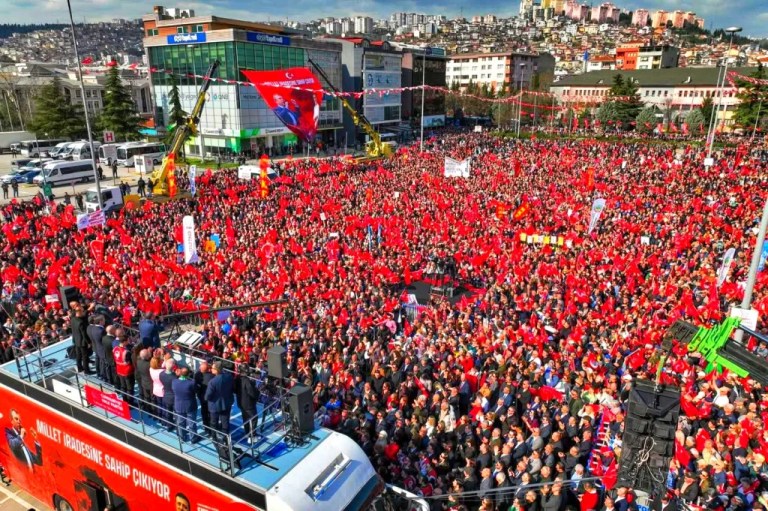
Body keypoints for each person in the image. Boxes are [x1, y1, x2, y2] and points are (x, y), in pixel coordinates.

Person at [204, 361, 234, 442]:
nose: (211, 369)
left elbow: (207, 396)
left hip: (215, 406)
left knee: (214, 423)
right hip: (227, 403)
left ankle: (214, 438)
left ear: (217, 370)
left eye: (212, 368)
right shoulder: (229, 377)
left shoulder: (212, 382)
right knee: (225, 422)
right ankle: (226, 439)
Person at [172, 367, 199, 443]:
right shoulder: (191, 383)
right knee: (191, 422)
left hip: (179, 405)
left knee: (180, 422)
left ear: (180, 373)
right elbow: (196, 390)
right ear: (188, 374)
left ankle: (182, 437)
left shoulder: (174, 382)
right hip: (190, 405)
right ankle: (193, 438)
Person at [234, 364, 260, 443]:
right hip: (249, 404)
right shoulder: (246, 381)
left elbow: (234, 390)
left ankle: (247, 433)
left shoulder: (237, 379)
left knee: (245, 418)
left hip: (240, 402)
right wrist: (257, 393)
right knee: (254, 418)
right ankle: (252, 436)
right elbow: (251, 392)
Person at [112, 329, 135, 406]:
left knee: (123, 386)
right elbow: (131, 362)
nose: (129, 341)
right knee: (130, 388)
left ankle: (124, 400)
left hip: (119, 370)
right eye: (128, 340)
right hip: (128, 372)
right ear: (124, 342)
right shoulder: (126, 352)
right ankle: (130, 403)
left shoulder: (115, 349)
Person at [70, 302, 91, 374]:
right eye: (82, 311)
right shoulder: (80, 322)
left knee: (78, 355)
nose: (83, 312)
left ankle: (79, 368)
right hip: (82, 342)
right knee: (84, 356)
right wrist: (88, 342)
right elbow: (84, 334)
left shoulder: (73, 319)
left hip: (76, 340)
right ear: (79, 312)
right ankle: (87, 371)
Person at [194, 361, 213, 436]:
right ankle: (211, 428)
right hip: (210, 398)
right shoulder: (212, 376)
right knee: (210, 413)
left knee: (204, 412)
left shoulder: (197, 375)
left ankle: (206, 428)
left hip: (202, 397)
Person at [86, 314, 106, 381]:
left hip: (95, 346)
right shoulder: (98, 329)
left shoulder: (90, 327)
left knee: (98, 360)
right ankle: (102, 375)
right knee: (102, 362)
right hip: (99, 347)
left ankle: (99, 373)